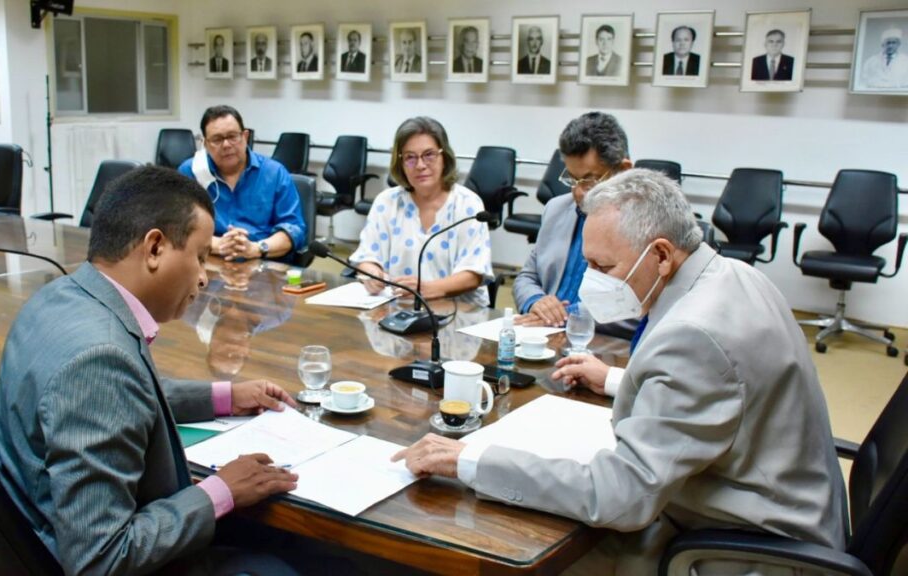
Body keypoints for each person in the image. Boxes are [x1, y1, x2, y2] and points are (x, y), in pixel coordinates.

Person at [394, 168, 847, 573]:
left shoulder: (693, 336)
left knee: (510, 546)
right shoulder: (730, 275)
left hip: (749, 549)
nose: (592, 279)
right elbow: (724, 388)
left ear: (662, 255)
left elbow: (622, 497)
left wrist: (469, 460)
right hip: (773, 504)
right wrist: (614, 378)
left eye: (602, 266)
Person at [0, 166, 301, 575]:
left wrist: (227, 396)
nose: (205, 278)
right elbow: (99, 559)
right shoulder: (98, 360)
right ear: (155, 247)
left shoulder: (62, 296)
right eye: (201, 256)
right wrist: (220, 491)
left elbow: (126, 393)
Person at [350, 116, 493, 308]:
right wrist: (373, 275)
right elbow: (367, 258)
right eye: (410, 157)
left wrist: (427, 288)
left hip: (458, 313)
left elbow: (473, 274)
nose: (420, 165)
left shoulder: (467, 204)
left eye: (429, 154)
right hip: (397, 311)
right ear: (400, 163)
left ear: (445, 157)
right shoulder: (387, 202)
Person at [513, 112, 632, 334]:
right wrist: (536, 301)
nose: (578, 192)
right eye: (572, 179)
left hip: (605, 348)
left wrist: (564, 316)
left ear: (624, 171)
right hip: (545, 337)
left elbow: (637, 308)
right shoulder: (556, 209)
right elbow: (527, 277)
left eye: (590, 181)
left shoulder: (643, 224)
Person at [178, 105, 306, 263]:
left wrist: (256, 248)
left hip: (263, 262)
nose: (226, 145)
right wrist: (217, 244)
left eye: (232, 136)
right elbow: (177, 227)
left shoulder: (274, 173)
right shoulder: (191, 172)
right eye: (217, 139)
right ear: (205, 143)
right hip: (208, 262)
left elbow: (294, 230)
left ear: (245, 136)